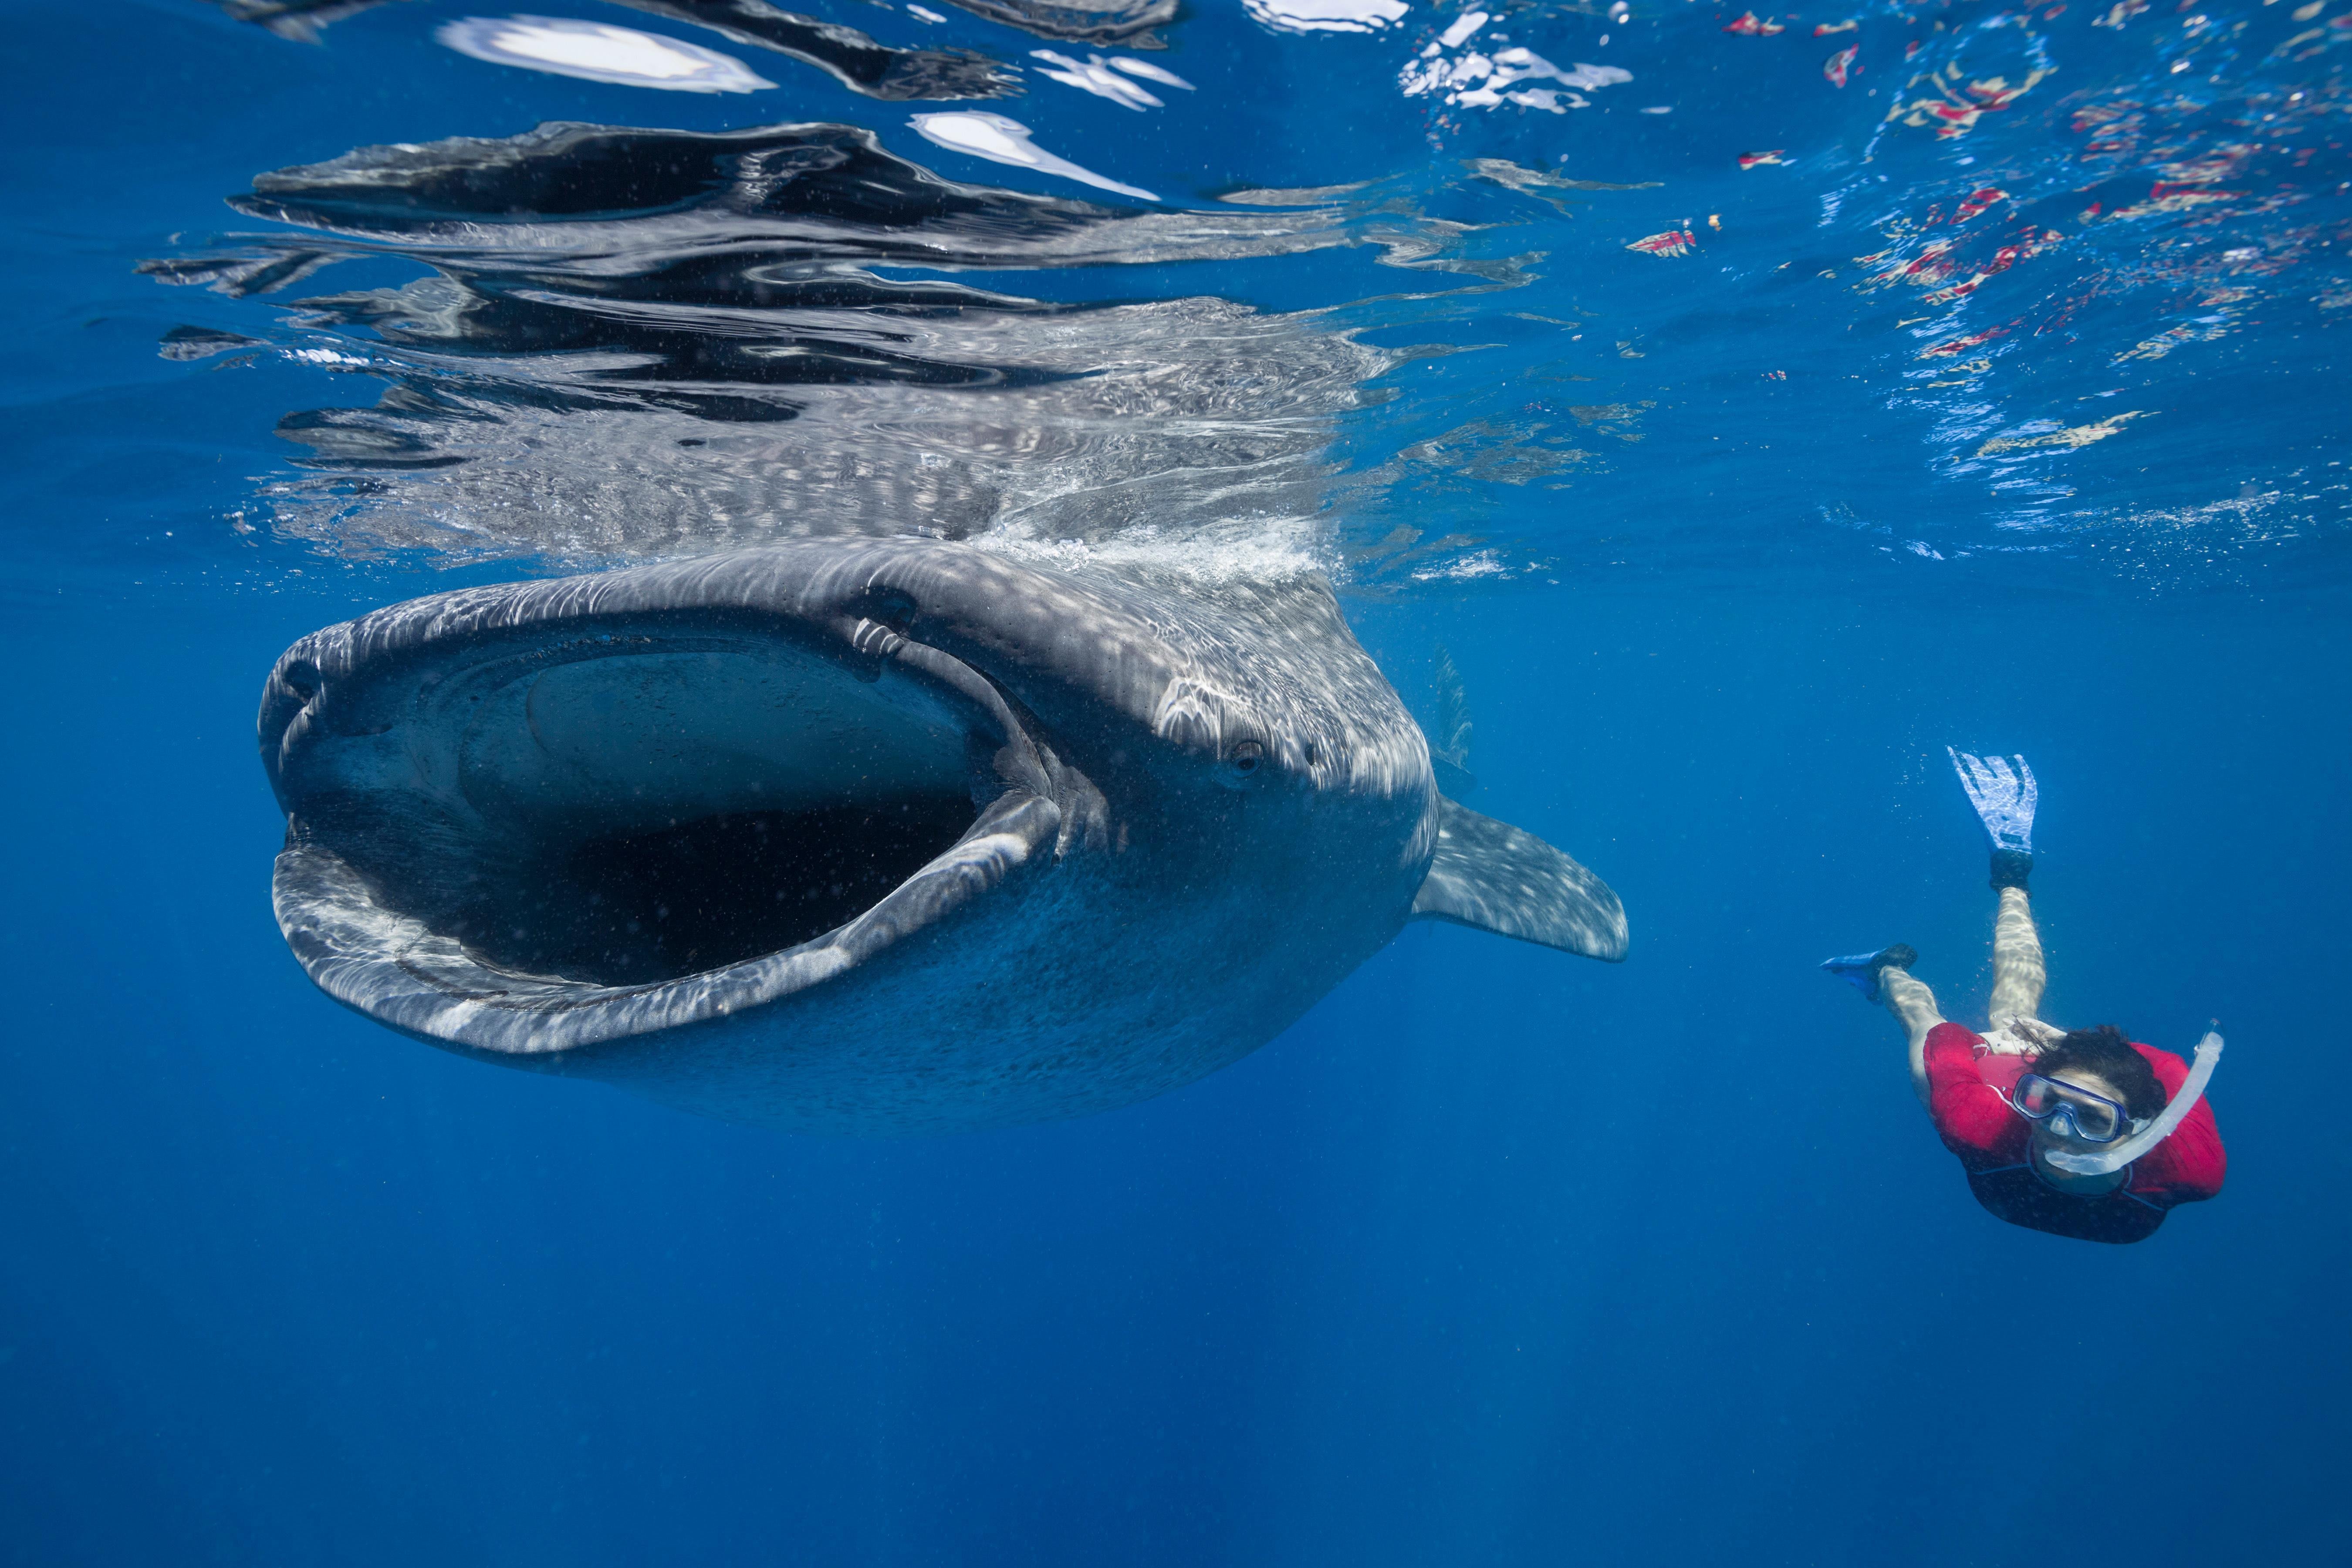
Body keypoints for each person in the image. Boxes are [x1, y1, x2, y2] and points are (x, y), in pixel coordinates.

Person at [1822, 751, 2226, 1244]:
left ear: (2143, 1127)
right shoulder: (1989, 1123)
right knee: (1939, 1022)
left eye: (2095, 1120)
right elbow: (1944, 1039)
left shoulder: (2189, 1168)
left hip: (2024, 1144)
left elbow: (2174, 1079)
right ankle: (1901, 956)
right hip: (2009, 1082)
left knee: (2003, 1022)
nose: (2059, 1129)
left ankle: (1892, 960)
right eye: (2048, 1102)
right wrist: (2053, 1046)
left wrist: (2071, 1046)